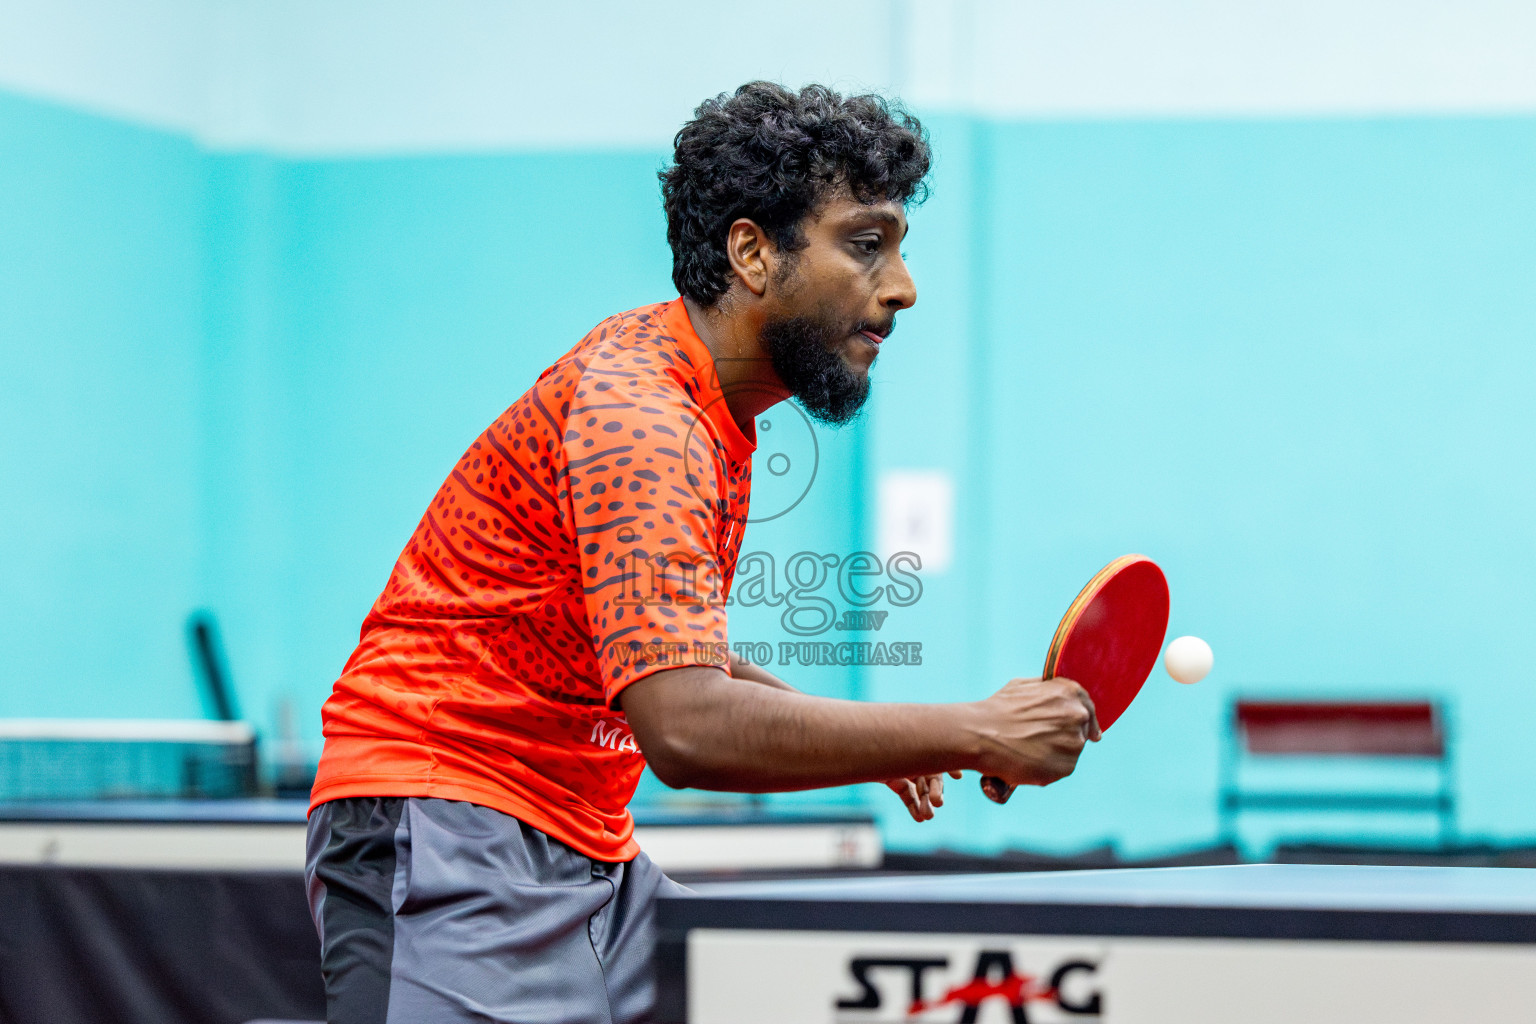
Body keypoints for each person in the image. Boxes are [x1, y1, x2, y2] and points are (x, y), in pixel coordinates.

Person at [304, 81, 1100, 1024]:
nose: (902, 287)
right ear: (753, 253)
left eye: (900, 248)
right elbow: (683, 727)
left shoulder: (708, 411)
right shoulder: (643, 418)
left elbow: (670, 649)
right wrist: (970, 728)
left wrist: (862, 744)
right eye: (864, 243)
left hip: (579, 841)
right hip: (443, 822)